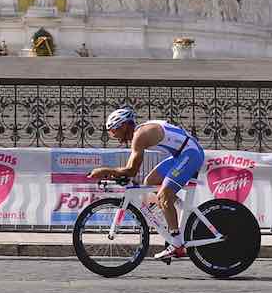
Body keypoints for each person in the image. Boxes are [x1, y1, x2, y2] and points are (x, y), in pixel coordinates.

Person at [87, 106, 205, 263]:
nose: (114, 136)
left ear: (124, 125)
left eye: (114, 131)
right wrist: (115, 174)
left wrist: (105, 171)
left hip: (191, 154)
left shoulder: (140, 135)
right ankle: (178, 208)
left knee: (164, 195)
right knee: (150, 182)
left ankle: (177, 244)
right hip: (181, 154)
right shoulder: (139, 133)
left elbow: (131, 170)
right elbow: (130, 171)